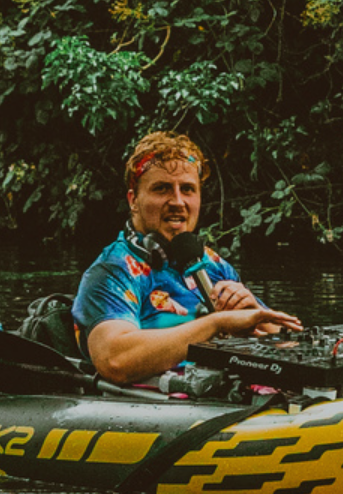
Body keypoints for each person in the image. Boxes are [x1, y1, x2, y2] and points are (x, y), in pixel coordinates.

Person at [73, 131, 301, 384]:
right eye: (162, 189)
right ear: (133, 200)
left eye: (188, 189)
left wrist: (254, 312)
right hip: (160, 401)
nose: (178, 201)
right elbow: (115, 360)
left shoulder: (212, 264)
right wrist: (216, 324)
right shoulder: (111, 272)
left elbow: (296, 348)